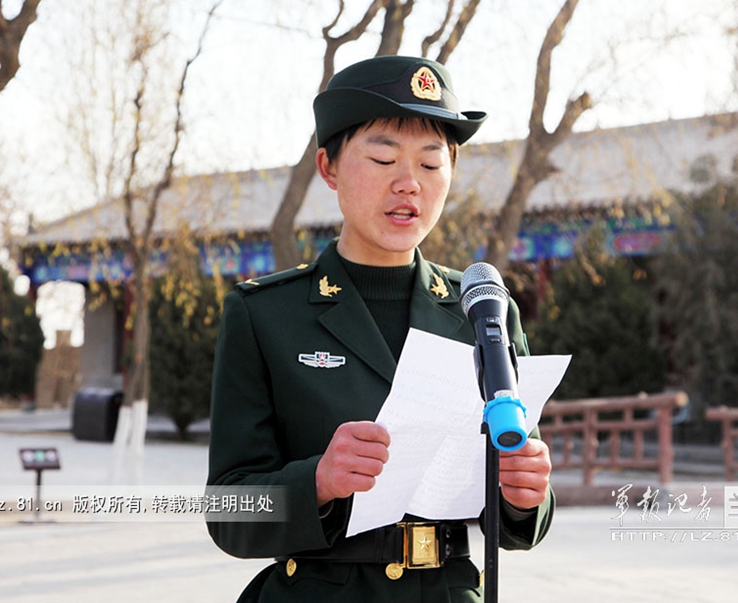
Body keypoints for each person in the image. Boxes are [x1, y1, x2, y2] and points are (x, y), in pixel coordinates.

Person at [207, 55, 554, 603]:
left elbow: (519, 517)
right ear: (329, 168)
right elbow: (227, 510)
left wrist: (526, 492)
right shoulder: (265, 314)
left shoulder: (483, 309)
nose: (408, 184)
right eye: (383, 157)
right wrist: (317, 481)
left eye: (431, 164)